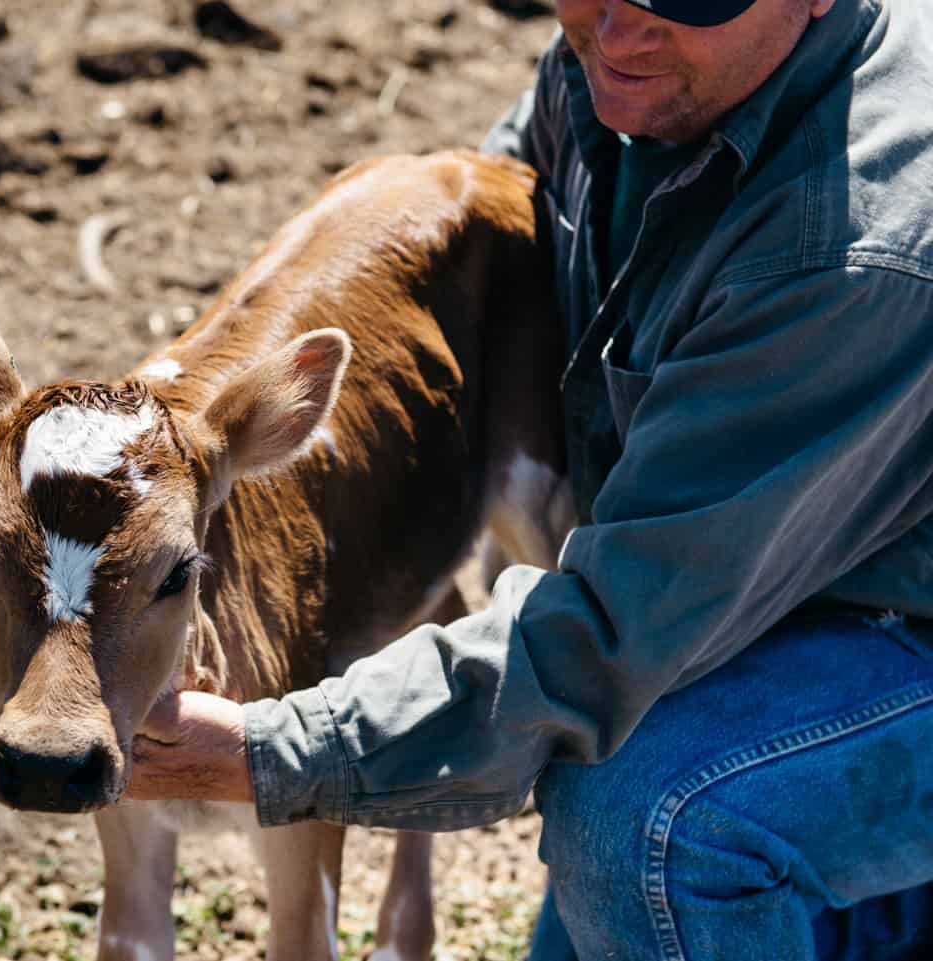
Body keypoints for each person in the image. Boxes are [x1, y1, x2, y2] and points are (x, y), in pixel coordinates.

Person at [124, 0, 933, 958]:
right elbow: (476, 237)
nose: (620, 29)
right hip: (751, 573)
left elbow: (611, 637)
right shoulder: (629, 73)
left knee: (650, 822)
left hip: (891, 621)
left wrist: (276, 748)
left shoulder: (846, 250)